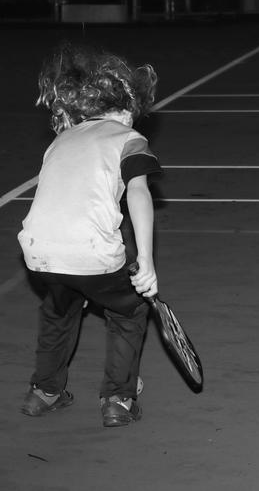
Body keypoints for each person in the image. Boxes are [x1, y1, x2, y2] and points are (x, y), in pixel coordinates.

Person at [17, 43, 161, 428]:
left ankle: (43, 391)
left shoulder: (61, 140)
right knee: (129, 311)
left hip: (38, 251)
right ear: (126, 107)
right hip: (91, 251)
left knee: (58, 309)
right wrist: (145, 262)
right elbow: (139, 193)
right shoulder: (128, 138)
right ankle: (119, 398)